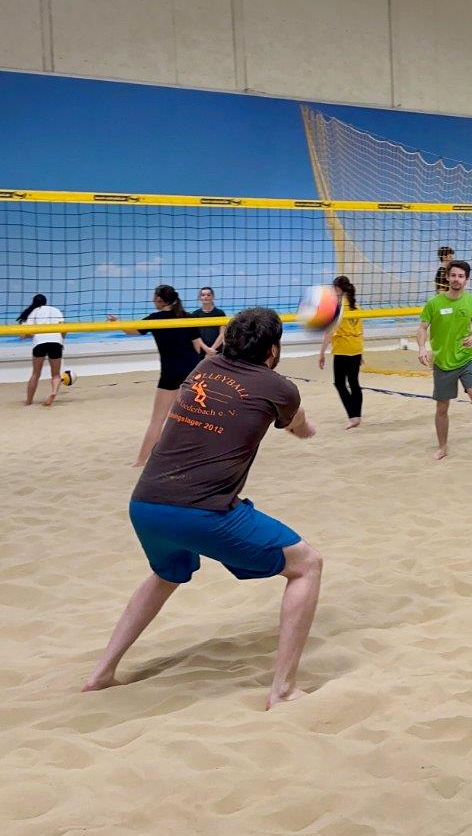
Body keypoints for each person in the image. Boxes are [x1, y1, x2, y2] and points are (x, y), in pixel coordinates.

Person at [81, 307, 323, 711]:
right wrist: (306, 427)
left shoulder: (203, 368)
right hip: (203, 512)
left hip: (145, 504)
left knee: (166, 574)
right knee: (307, 565)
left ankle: (101, 674)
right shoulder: (279, 387)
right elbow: (298, 424)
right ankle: (283, 690)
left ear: (229, 339)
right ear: (273, 350)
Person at [109, 285, 203, 467]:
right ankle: (193, 457)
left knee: (157, 421)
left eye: (154, 297)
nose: (153, 300)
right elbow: (197, 347)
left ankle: (140, 461)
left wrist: (116, 322)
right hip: (191, 372)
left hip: (170, 373)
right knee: (190, 419)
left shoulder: (155, 319)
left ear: (160, 300)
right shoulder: (187, 317)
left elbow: (131, 331)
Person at [417, 259, 472, 462]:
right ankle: (442, 447)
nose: (456, 279)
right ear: (447, 277)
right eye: (453, 275)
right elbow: (422, 328)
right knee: (442, 408)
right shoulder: (434, 303)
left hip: (466, 359)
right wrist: (422, 348)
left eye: (461, 276)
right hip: (443, 362)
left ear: (467, 279)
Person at [319, 275, 364, 429]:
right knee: (354, 383)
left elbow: (329, 332)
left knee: (339, 383)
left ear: (339, 289)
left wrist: (321, 353)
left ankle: (353, 416)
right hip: (356, 348)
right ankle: (357, 416)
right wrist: (361, 353)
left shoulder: (338, 307)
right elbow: (360, 329)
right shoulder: (356, 305)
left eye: (334, 289)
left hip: (343, 350)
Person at [18, 294, 67, 407]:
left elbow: (26, 334)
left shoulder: (33, 312)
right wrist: (61, 341)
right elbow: (64, 329)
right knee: (56, 375)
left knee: (35, 374)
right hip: (56, 342)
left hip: (40, 343)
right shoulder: (56, 310)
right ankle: (53, 392)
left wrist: (27, 335)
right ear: (46, 301)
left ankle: (29, 401)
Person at [190, 286, 227, 357]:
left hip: (216, 350)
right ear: (199, 297)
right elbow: (195, 336)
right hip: (201, 350)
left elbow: (222, 334)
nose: (205, 297)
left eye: (208, 295)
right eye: (203, 295)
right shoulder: (195, 314)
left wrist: (212, 350)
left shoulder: (220, 313)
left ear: (213, 297)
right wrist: (207, 350)